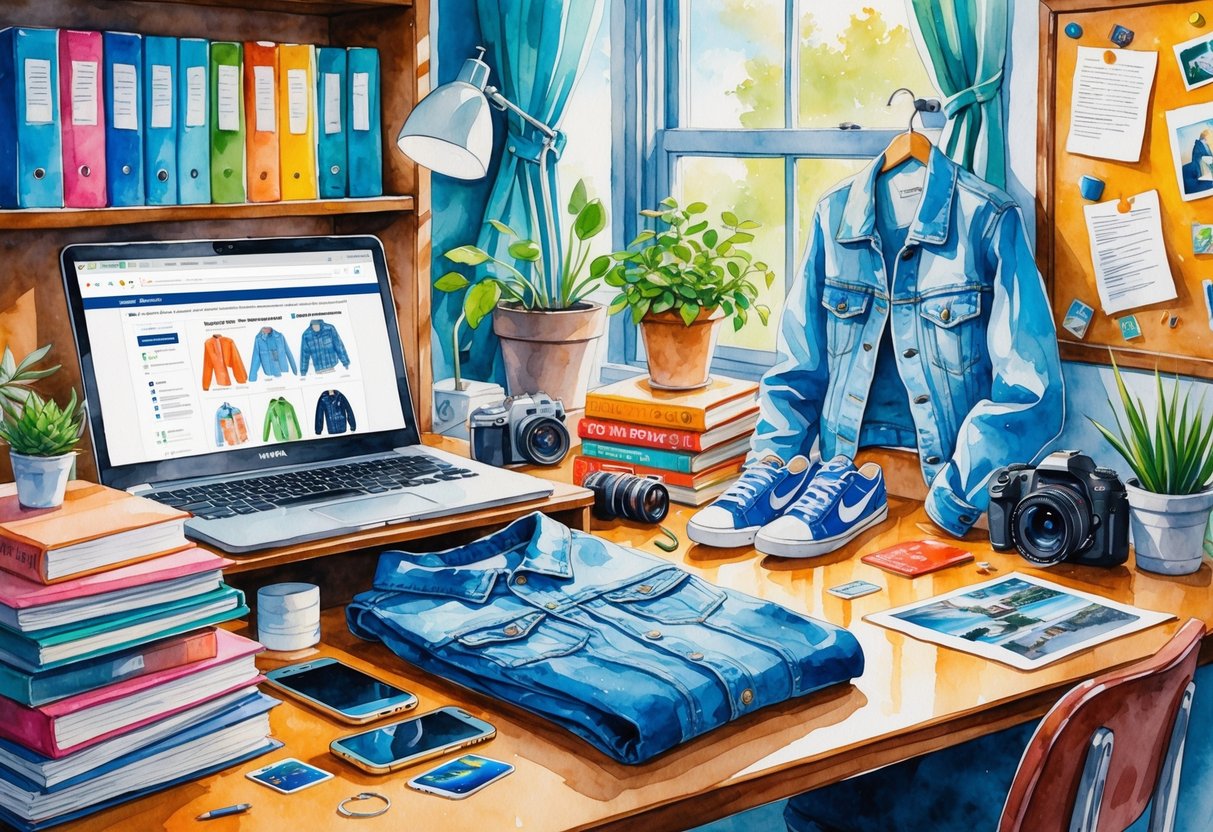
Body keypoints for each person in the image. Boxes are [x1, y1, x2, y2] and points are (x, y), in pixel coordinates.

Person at [689, 147, 1065, 551]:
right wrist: (772, 462)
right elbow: (798, 367)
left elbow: (1031, 391)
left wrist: (953, 497)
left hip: (941, 488)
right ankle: (772, 480)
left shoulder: (987, 217)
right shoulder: (833, 215)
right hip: (833, 488)